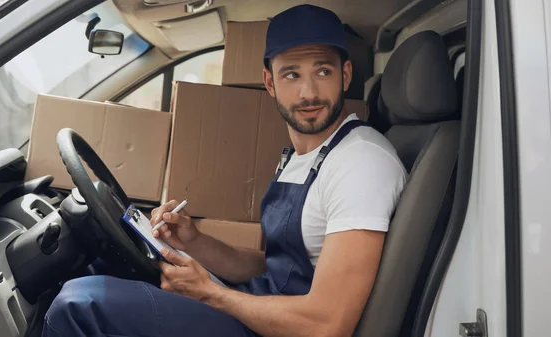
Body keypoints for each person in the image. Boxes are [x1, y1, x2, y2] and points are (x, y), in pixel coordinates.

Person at [42, 4, 407, 337]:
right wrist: (195, 243)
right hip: (263, 309)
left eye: (322, 71)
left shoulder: (361, 162)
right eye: (292, 75)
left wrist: (212, 294)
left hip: (286, 329)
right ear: (270, 83)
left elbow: (328, 323)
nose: (308, 93)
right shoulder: (306, 156)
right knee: (99, 268)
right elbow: (277, 266)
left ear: (345, 75)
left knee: (79, 304)